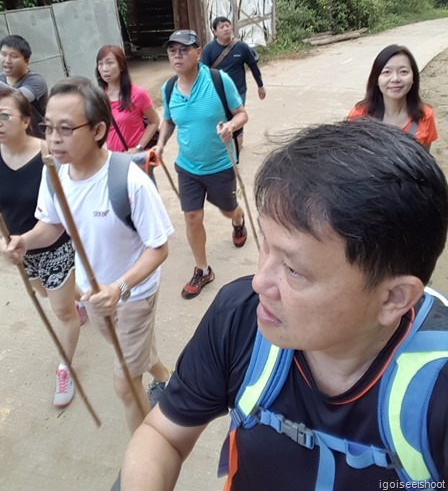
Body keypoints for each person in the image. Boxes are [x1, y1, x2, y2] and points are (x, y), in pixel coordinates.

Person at [121, 119, 448, 490]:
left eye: (293, 269)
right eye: (266, 246)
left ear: (393, 297)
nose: (260, 281)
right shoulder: (241, 315)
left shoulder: (438, 390)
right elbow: (163, 434)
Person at [1, 76, 173, 431]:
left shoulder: (129, 180)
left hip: (133, 295)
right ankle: (166, 377)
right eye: (48, 127)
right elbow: (53, 226)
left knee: (125, 385)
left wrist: (119, 289)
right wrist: (23, 241)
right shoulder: (53, 176)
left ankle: (145, 465)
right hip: (94, 296)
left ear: (97, 130)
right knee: (131, 352)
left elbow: (159, 248)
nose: (53, 138)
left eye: (65, 128)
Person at [0, 88, 77, 408]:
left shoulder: (50, 156)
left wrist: (26, 241)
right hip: (20, 252)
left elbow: (62, 217)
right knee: (46, 294)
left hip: (56, 245)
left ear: (26, 120)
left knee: (62, 312)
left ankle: (65, 367)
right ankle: (77, 297)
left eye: (4, 115)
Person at [155, 29, 248, 300]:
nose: (177, 55)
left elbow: (241, 114)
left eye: (184, 49)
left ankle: (238, 220)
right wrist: (160, 143)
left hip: (220, 164)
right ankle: (203, 269)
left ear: (198, 52)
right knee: (192, 217)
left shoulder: (220, 80)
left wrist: (231, 125)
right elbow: (169, 120)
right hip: (188, 167)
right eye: (172, 50)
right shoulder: (169, 87)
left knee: (227, 210)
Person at [347, 44, 437, 150]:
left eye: (403, 71)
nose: (395, 79)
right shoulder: (359, 114)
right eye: (386, 72)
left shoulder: (425, 115)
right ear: (376, 79)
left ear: (413, 78)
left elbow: (424, 162)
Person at [201, 16, 266, 151]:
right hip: (216, 92)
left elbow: (253, 66)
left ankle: (237, 150)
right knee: (218, 119)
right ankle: (222, 148)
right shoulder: (208, 49)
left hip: (238, 91)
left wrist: (260, 86)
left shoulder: (241, 47)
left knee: (237, 120)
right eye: (221, 27)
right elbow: (203, 73)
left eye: (227, 25)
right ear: (214, 31)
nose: (226, 29)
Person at [0, 35, 48, 138]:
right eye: (3, 54)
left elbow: (18, 98)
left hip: (40, 141)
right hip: (13, 140)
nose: (7, 60)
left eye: (14, 56)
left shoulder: (36, 81)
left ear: (26, 61)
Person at [96, 44, 160, 153]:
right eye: (100, 64)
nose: (104, 68)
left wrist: (139, 148)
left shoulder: (137, 94)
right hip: (114, 158)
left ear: (121, 66)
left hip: (136, 158)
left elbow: (154, 121)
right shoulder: (99, 96)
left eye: (109, 63)